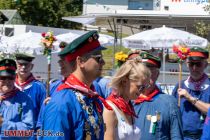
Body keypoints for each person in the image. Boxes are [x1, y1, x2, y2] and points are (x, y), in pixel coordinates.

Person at [41, 30, 111, 140]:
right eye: (98, 58)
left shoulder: (92, 97)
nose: (103, 62)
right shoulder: (62, 103)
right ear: (81, 61)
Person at [134, 51, 183, 140]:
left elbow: (177, 136)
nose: (146, 74)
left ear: (157, 74)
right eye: (142, 70)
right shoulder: (128, 101)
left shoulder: (169, 103)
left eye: (149, 69)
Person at [103, 59, 151, 140]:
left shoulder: (129, 107)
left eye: (146, 87)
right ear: (125, 81)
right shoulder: (110, 109)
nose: (144, 91)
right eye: (140, 87)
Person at [172, 47, 210, 140]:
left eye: (198, 64)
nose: (194, 68)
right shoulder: (180, 85)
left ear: (206, 65)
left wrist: (189, 98)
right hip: (182, 136)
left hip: (204, 136)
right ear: (187, 64)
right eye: (191, 64)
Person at [0, 58, 35, 139]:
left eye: (11, 77)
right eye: (3, 78)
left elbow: (28, 131)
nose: (7, 81)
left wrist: (4, 124)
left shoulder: (24, 100)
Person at [14, 53, 46, 127]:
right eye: (20, 64)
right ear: (16, 65)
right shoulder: (10, 85)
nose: (23, 67)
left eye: (27, 64)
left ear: (32, 66)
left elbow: (43, 113)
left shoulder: (39, 88)